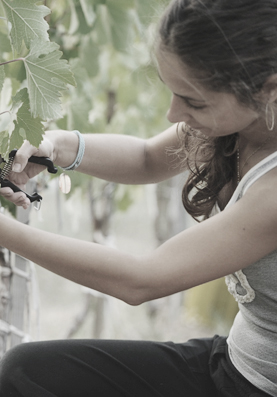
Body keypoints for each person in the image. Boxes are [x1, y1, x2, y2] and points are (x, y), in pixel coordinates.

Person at [0, 0, 277, 395]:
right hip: (234, 363)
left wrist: (5, 232)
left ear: (269, 89)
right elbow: (147, 159)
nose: (172, 113)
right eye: (172, 92)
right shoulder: (240, 122)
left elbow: (139, 280)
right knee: (27, 371)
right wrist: (58, 147)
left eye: (193, 101)